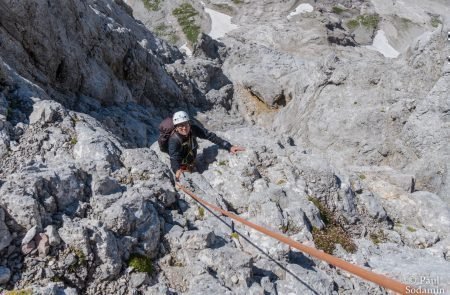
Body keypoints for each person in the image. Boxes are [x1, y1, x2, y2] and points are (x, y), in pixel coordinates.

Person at [169, 111, 245, 180]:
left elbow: (210, 136)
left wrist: (229, 146)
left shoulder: (193, 129)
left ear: (189, 123)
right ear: (176, 128)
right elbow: (174, 158)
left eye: (186, 124)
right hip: (182, 164)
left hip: (191, 159)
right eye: (180, 126)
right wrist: (177, 170)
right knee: (189, 179)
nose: (184, 128)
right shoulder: (174, 140)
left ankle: (191, 166)